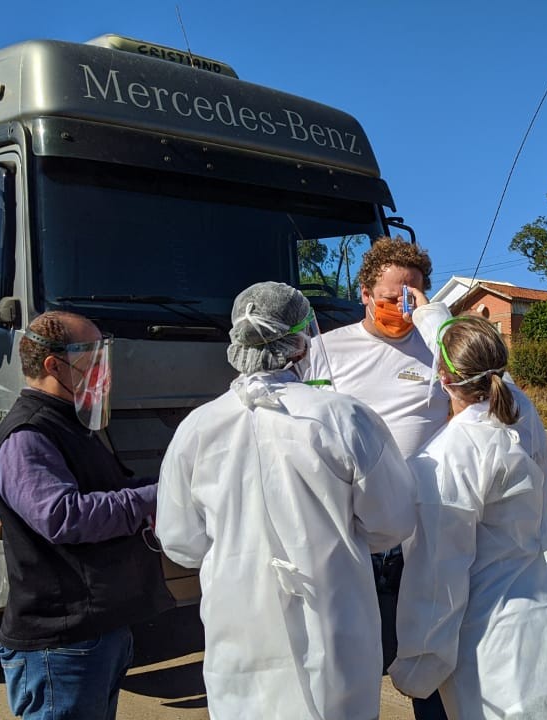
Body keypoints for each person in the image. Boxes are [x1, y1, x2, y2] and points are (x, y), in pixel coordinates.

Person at [155, 281, 417, 719]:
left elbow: (181, 541)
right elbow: (391, 521)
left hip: (240, 626)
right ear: (300, 343)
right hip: (332, 619)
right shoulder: (344, 417)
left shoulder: (197, 429)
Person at [390, 314, 547, 719]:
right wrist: (432, 317)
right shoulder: (522, 418)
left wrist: (418, 666)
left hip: (486, 639)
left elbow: (439, 579)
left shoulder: (443, 461)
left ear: (443, 380)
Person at [0, 311, 172, 720]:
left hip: (93, 633)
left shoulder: (70, 423)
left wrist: (174, 477)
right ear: (54, 365)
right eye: (91, 357)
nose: (102, 370)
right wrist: (157, 497)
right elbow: (63, 516)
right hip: (61, 644)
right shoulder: (28, 435)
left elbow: (106, 489)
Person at [301, 236, 452, 719]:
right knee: (351, 661)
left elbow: (489, 395)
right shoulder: (324, 351)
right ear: (363, 294)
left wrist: (439, 327)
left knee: (431, 659)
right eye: (391, 298)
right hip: (351, 532)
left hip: (424, 530)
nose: (401, 309)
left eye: (414, 299)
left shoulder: (438, 350)